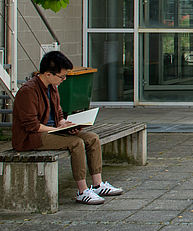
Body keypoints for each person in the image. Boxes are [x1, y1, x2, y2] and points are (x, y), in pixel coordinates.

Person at [12, 51, 123, 205]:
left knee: (92, 138)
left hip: (52, 131)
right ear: (48, 74)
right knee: (76, 143)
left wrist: (64, 124)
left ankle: (98, 185)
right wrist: (56, 130)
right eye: (62, 76)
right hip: (32, 137)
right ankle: (82, 191)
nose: (64, 80)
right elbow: (31, 125)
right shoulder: (28, 91)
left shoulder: (53, 87)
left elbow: (58, 113)